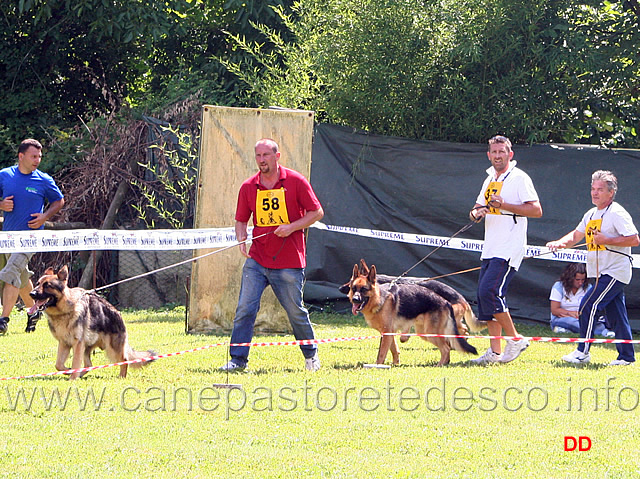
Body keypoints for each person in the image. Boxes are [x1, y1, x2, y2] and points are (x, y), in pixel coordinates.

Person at [220, 138, 324, 372]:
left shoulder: (296, 181)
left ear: (277, 157)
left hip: (289, 262)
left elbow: (316, 212)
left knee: (295, 311)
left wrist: (292, 226)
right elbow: (240, 219)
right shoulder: (249, 186)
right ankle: (237, 359)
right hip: (257, 260)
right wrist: (241, 238)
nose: (261, 160)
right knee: (245, 309)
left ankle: (311, 355)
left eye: (266, 155)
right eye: (258, 155)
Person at [546, 170, 638, 366]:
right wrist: (559, 243)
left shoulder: (617, 213)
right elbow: (576, 235)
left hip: (615, 271)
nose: (594, 193)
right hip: (599, 271)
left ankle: (582, 351)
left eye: (600, 190)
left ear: (611, 193)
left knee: (588, 304)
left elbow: (634, 239)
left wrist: (608, 240)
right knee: (617, 315)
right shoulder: (591, 214)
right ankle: (627, 357)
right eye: (593, 189)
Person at [468, 135, 542, 364]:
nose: (498, 156)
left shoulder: (520, 178)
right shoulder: (489, 178)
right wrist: (476, 214)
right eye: (494, 152)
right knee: (484, 297)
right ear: (489, 155)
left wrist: (505, 205)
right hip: (490, 247)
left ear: (510, 154)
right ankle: (495, 352)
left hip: (509, 247)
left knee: (491, 292)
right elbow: (478, 206)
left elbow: (536, 210)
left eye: (502, 152)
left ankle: (516, 339)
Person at [0, 139, 64, 334]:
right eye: (33, 156)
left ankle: (3, 319)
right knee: (19, 275)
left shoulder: (44, 180)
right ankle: (33, 311)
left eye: (39, 157)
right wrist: (1, 205)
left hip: (31, 237)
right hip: (8, 237)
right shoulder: (4, 175)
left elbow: (59, 201)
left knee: (11, 272)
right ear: (21, 156)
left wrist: (44, 216)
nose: (37, 160)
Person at [549, 262, 614, 337]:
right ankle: (601, 332)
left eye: (583, 280)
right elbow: (555, 310)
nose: (580, 283)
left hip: (582, 318)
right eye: (577, 280)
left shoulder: (588, 287)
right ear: (570, 278)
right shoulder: (559, 286)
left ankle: (567, 330)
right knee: (572, 322)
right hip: (562, 318)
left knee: (592, 322)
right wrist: (571, 313)